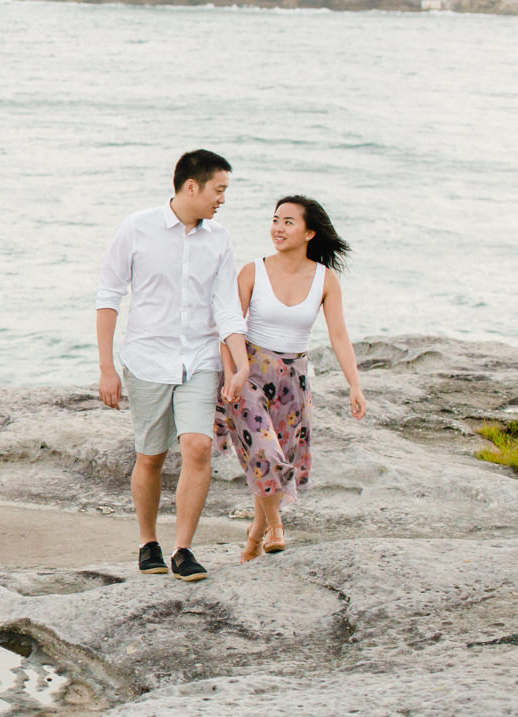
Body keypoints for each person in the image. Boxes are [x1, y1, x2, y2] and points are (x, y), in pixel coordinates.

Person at [97, 149, 250, 583]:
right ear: (191, 187)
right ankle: (148, 541)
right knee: (151, 456)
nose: (222, 199)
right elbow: (108, 296)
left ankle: (183, 549)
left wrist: (239, 366)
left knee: (198, 448)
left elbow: (227, 308)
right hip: (146, 360)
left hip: (199, 359)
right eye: (218, 190)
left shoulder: (219, 239)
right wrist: (107, 368)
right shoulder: (137, 228)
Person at [216, 195, 366, 563]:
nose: (278, 228)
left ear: (309, 232)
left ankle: (254, 534)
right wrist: (232, 371)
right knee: (264, 451)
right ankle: (276, 525)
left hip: (293, 381)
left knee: (271, 458)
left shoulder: (325, 280)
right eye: (275, 220)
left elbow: (339, 336)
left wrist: (355, 384)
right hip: (249, 372)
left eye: (288, 222)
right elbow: (229, 325)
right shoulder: (253, 271)